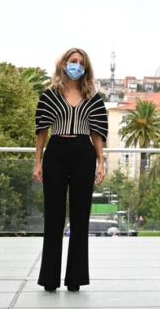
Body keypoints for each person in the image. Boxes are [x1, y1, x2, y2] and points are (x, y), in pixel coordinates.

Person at [33, 48, 108, 292]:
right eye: (72, 61)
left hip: (83, 153)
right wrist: (38, 162)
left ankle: (75, 278)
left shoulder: (93, 97)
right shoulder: (49, 95)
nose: (77, 65)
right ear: (63, 64)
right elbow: (42, 130)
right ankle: (49, 279)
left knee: (80, 217)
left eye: (81, 62)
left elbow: (98, 132)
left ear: (86, 68)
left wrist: (101, 162)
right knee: (53, 216)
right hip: (56, 151)